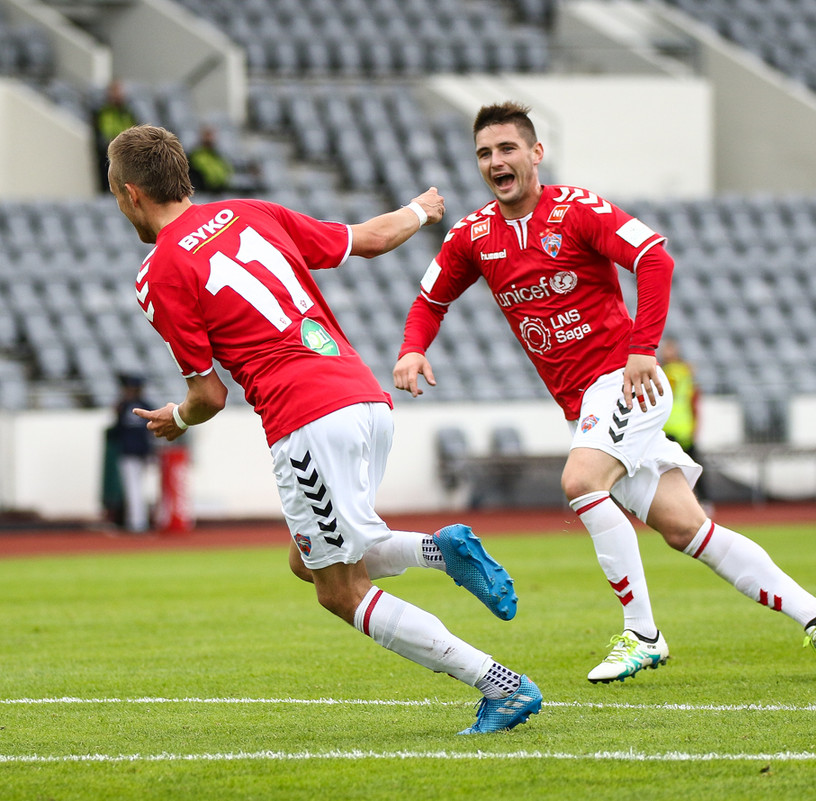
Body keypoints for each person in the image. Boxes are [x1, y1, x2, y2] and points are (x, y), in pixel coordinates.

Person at [393, 101, 816, 683]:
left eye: (507, 148)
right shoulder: (472, 236)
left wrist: (643, 348)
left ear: (536, 153)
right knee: (688, 530)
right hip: (583, 405)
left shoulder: (578, 209)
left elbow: (655, 259)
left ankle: (643, 635)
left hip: (625, 382)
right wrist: (412, 348)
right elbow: (430, 300)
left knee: (580, 482)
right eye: (484, 153)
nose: (495, 161)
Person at [107, 124, 541, 735]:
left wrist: (177, 418)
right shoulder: (251, 211)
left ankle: (501, 685)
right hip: (364, 399)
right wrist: (421, 209)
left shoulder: (158, 272)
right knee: (306, 560)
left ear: (131, 193)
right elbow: (369, 239)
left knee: (340, 589)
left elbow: (209, 395)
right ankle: (439, 551)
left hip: (307, 419)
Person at [658, 338, 709, 508]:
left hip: (675, 428)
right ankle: (701, 501)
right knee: (690, 466)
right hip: (673, 427)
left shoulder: (666, 372)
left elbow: (693, 400)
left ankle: (697, 501)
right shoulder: (684, 372)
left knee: (674, 468)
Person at [109, 373, 156, 532]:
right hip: (142, 452)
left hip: (130, 452)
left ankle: (136, 523)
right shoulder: (146, 405)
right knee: (138, 488)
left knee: (133, 488)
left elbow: (116, 431)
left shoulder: (123, 406)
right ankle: (138, 521)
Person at [92, 80, 139, 192]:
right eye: (115, 92)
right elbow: (104, 135)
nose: (119, 95)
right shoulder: (104, 112)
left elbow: (133, 129)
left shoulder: (128, 112)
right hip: (109, 154)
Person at [188, 126, 234, 194]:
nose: (210, 138)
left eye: (211, 135)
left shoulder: (218, 155)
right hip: (203, 192)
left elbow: (226, 172)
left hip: (219, 191)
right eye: (207, 135)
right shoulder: (195, 155)